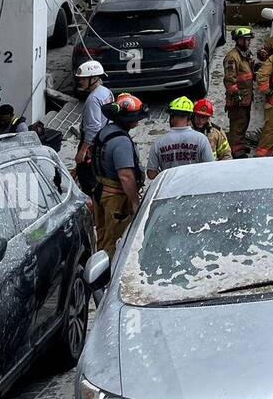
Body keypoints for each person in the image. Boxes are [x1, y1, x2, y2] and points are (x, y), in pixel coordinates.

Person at [93, 93, 148, 257]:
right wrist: (134, 201)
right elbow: (125, 176)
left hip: (100, 190)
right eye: (135, 118)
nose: (138, 121)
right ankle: (109, 275)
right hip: (115, 198)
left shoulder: (106, 132)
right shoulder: (121, 142)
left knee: (103, 236)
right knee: (115, 241)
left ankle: (98, 269)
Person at [145, 97, 214, 180]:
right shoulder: (201, 139)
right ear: (190, 116)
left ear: (171, 116)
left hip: (169, 190)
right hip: (195, 188)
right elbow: (211, 168)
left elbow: (151, 174)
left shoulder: (159, 143)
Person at [73, 60, 113, 191]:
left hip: (92, 144)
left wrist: (83, 150)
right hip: (103, 139)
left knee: (86, 179)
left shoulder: (93, 99)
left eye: (83, 79)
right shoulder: (106, 92)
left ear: (93, 79)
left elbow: (94, 127)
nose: (80, 82)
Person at [222, 27, 256, 157]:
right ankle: (236, 151)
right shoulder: (232, 57)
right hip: (238, 99)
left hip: (246, 98)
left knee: (244, 122)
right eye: (247, 40)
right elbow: (230, 80)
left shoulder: (245, 54)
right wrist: (235, 96)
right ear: (239, 40)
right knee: (237, 125)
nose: (249, 42)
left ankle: (240, 145)